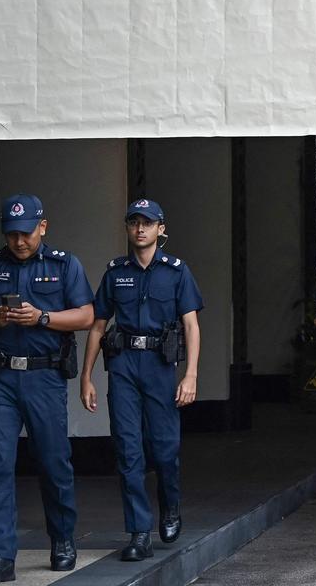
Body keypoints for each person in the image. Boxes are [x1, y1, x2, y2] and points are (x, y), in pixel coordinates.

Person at [0, 194, 94, 584]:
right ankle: (0, 558)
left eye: (27, 233)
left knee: (53, 462)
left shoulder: (64, 265)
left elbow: (86, 315)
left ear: (42, 227)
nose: (19, 241)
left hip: (43, 378)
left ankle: (63, 539)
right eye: (12, 234)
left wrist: (43, 317)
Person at [81, 198, 202, 562]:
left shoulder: (176, 271)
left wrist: (191, 374)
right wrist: (86, 376)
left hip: (159, 366)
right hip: (122, 366)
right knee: (128, 451)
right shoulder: (115, 272)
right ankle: (138, 532)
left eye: (147, 223)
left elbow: (191, 325)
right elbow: (98, 325)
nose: (140, 229)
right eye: (134, 222)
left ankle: (170, 506)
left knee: (165, 449)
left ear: (160, 229)